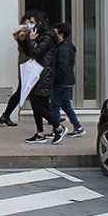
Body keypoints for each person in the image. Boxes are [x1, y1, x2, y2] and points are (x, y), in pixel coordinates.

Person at [23, 14, 66, 145]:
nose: (29, 24)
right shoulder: (41, 35)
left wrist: (31, 40)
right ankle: (40, 133)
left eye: (32, 22)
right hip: (38, 75)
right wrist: (24, 40)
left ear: (39, 24)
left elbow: (35, 54)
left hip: (42, 76)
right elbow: (29, 52)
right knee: (38, 106)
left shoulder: (47, 37)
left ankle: (59, 127)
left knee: (37, 106)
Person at [0, 13, 33, 127]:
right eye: (30, 21)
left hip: (27, 63)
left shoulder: (26, 32)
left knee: (26, 90)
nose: (32, 23)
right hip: (26, 63)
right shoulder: (24, 33)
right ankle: (6, 115)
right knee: (22, 90)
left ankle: (6, 115)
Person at [51, 23, 85, 138]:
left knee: (55, 105)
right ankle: (78, 127)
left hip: (62, 82)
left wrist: (55, 80)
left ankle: (56, 129)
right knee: (66, 105)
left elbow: (62, 68)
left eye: (55, 33)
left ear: (61, 35)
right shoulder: (67, 46)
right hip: (67, 81)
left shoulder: (62, 49)